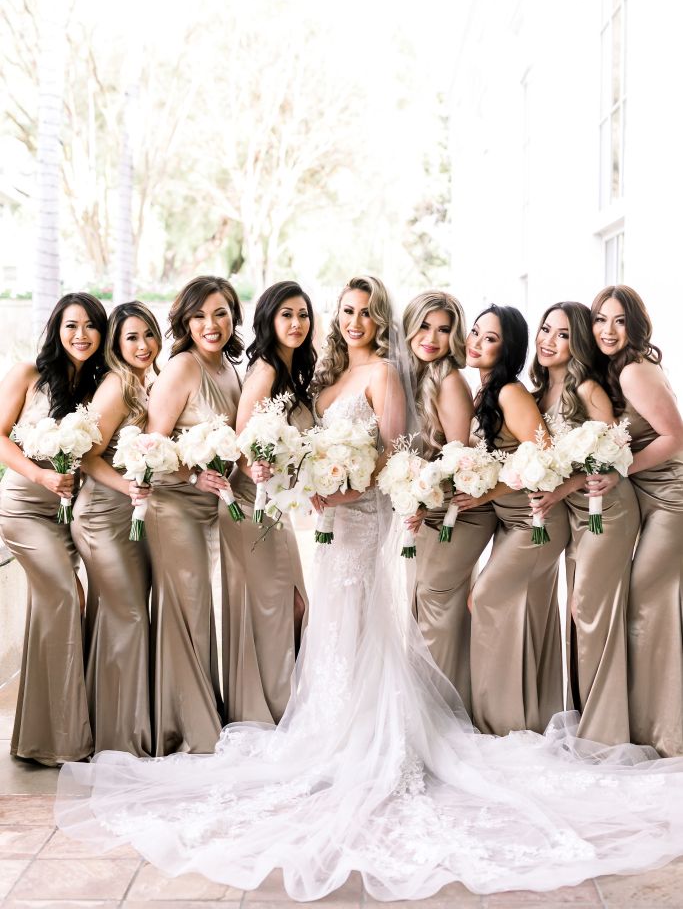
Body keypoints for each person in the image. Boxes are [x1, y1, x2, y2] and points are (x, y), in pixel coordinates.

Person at [56, 282, 683, 901]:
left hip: (359, 515)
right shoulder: (322, 376)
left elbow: (389, 455)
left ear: (381, 321)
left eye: (366, 313)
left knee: (365, 615)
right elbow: (289, 444)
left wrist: (344, 491)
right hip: (328, 513)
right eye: (347, 312)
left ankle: (373, 731)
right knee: (333, 619)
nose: (355, 321)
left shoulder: (386, 373)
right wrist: (307, 482)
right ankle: (329, 724)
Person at [0, 293, 107, 765]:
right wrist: (41, 475)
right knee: (66, 595)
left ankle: (40, 735)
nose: (81, 335)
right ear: (56, 330)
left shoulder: (99, 386)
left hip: (67, 514)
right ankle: (62, 740)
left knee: (63, 603)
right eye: (71, 325)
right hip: (24, 508)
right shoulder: (28, 375)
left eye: (90, 326)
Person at [455, 305, 570, 736]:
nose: (476, 342)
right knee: (521, 613)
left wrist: (486, 492)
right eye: (475, 332)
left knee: (484, 599)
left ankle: (497, 724)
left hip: (536, 522)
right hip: (511, 523)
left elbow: (545, 457)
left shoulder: (509, 393)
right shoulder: (482, 392)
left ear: (507, 350)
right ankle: (525, 720)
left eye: (490, 339)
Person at [530, 301, 639, 745]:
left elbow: (615, 455)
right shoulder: (538, 394)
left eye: (562, 335)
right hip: (575, 516)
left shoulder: (589, 389)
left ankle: (604, 735)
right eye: (545, 329)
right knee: (577, 616)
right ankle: (584, 719)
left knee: (588, 610)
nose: (549, 341)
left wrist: (563, 487)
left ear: (577, 344)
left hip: (607, 511)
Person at [143, 276, 242, 755]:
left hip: (208, 508)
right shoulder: (182, 367)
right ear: (185, 322)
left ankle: (199, 714)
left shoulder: (230, 369)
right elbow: (151, 446)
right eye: (199, 315)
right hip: (173, 504)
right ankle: (187, 729)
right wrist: (192, 476)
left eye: (220, 313)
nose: (210, 324)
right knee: (188, 611)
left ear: (234, 316)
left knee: (199, 610)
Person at [592, 285, 683, 756]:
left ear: (635, 326)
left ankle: (664, 734)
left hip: (672, 500)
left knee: (647, 603)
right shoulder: (618, 369)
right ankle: (650, 724)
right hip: (648, 497)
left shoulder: (634, 371)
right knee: (648, 604)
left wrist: (619, 470)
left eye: (619, 320)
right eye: (600, 319)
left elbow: (675, 436)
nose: (608, 330)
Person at [220, 281, 314, 725]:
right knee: (282, 606)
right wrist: (257, 466)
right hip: (251, 503)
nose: (296, 324)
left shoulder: (293, 369)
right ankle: (274, 709)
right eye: (286, 315)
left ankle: (284, 702)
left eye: (303, 314)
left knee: (291, 603)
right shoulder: (266, 371)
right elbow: (243, 441)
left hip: (276, 505)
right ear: (269, 320)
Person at [71, 301, 162, 756]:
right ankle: (122, 738)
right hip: (101, 517)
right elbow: (87, 457)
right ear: (116, 345)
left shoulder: (151, 382)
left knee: (118, 615)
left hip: (132, 518)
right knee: (128, 616)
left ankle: (107, 727)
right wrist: (127, 486)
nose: (143, 345)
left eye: (148, 334)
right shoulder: (116, 386)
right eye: (131, 338)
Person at [403, 290, 490, 712]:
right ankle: (430, 706)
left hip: (452, 510)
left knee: (436, 607)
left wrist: (422, 498)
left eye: (443, 330)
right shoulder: (409, 376)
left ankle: (440, 712)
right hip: (424, 508)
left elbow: (457, 460)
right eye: (424, 326)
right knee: (422, 605)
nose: (432, 338)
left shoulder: (449, 380)